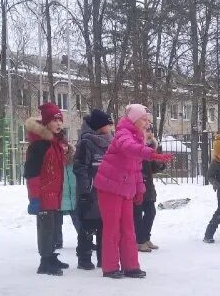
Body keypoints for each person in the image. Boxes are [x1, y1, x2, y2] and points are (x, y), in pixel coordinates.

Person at [93, 104, 172, 278]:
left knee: (129, 228)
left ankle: (131, 266)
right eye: (144, 119)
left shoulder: (138, 137)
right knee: (112, 228)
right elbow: (129, 148)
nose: (147, 124)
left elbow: (136, 168)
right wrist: (151, 154)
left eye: (148, 120)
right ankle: (110, 267)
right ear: (135, 119)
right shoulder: (123, 133)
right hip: (109, 187)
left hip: (125, 189)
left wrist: (140, 189)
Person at [24, 103, 69, 276]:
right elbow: (32, 173)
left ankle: (51, 256)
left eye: (60, 120)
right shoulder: (39, 145)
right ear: (46, 122)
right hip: (43, 194)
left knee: (53, 226)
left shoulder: (55, 143)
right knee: (45, 228)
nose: (58, 124)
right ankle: (44, 261)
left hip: (54, 193)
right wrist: (34, 198)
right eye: (54, 120)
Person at [73, 108, 112, 270]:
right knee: (87, 227)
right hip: (89, 192)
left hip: (106, 192)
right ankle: (84, 258)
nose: (111, 126)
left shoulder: (111, 142)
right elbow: (80, 168)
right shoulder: (86, 143)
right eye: (108, 124)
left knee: (105, 227)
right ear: (99, 126)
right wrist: (84, 191)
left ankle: (103, 258)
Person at [134, 122, 166, 252]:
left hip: (148, 186)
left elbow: (154, 169)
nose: (149, 133)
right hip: (137, 185)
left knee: (150, 212)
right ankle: (139, 241)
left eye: (150, 130)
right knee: (137, 214)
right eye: (146, 130)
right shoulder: (136, 146)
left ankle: (145, 238)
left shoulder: (153, 146)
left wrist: (159, 161)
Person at [53, 144, 80, 250]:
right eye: (61, 146)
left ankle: (84, 240)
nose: (64, 148)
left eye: (65, 146)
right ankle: (57, 242)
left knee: (78, 220)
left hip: (73, 196)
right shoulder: (55, 160)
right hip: (60, 196)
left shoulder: (75, 160)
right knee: (57, 222)